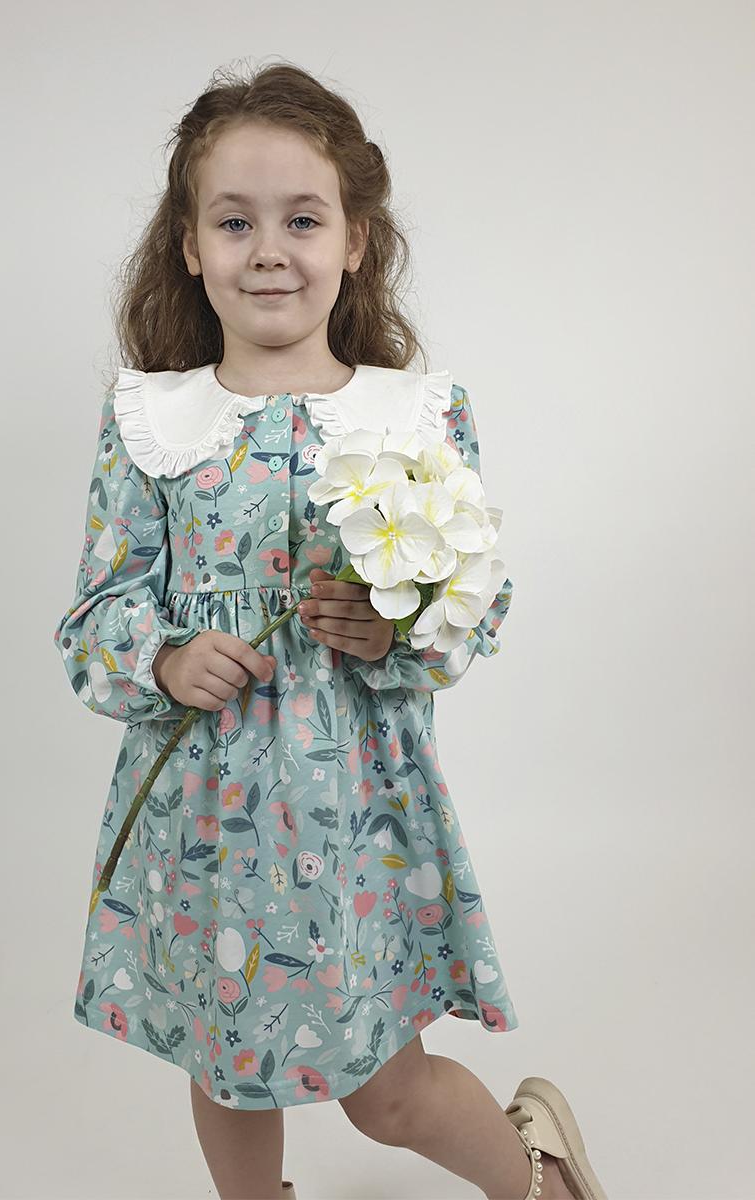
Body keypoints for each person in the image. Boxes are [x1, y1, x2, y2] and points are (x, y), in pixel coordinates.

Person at [52, 60, 607, 1200]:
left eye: (302, 219)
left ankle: (539, 1176)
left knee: (386, 1092)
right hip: (204, 820)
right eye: (235, 221)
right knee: (226, 1065)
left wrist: (393, 633)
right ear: (190, 245)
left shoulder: (415, 414)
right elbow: (97, 611)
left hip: (359, 819)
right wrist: (164, 656)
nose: (269, 250)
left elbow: (475, 605)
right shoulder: (153, 419)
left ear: (356, 240)